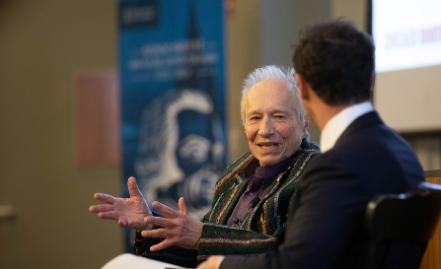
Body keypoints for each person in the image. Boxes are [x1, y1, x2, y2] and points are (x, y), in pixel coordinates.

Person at [198, 20, 425, 269]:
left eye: (279, 116)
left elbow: (293, 264)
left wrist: (220, 266)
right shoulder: (404, 154)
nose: (266, 129)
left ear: (302, 88)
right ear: (372, 79)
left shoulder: (334, 167)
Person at [89, 65, 319, 267]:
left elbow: (289, 255)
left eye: (279, 116)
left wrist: (204, 236)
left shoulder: (317, 173)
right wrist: (151, 227)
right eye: (255, 118)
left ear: (304, 122)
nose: (265, 130)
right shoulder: (233, 177)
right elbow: (200, 254)